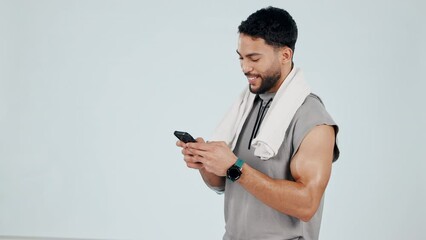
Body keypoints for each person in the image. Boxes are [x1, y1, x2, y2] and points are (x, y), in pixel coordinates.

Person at [176, 6, 339, 240]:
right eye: (241, 58)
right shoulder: (246, 106)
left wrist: (235, 167)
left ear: (285, 55)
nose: (245, 68)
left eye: (254, 58)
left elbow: (307, 204)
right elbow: (224, 183)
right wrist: (205, 161)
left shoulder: (313, 119)